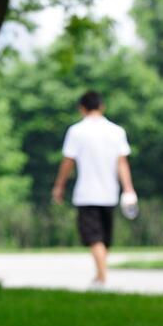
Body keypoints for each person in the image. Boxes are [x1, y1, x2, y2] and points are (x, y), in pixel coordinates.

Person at [52, 90, 136, 288]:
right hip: (110, 193)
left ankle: (102, 278)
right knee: (103, 239)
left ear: (82, 108)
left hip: (86, 194)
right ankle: (100, 276)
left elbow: (67, 162)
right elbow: (122, 163)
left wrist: (59, 186)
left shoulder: (76, 131)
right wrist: (129, 189)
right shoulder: (117, 131)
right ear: (102, 106)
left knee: (94, 238)